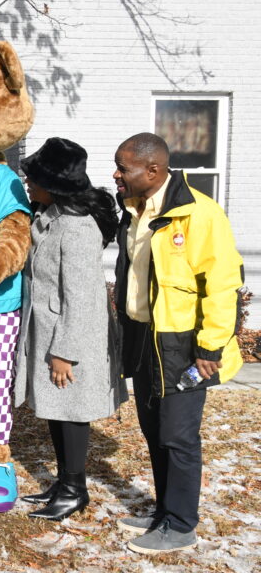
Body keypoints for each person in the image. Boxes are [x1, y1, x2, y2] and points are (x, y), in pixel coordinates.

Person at [112, 132, 243, 554]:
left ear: (152, 171)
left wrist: (210, 348)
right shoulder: (133, 211)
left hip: (184, 344)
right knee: (154, 431)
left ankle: (182, 524)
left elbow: (222, 286)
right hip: (143, 337)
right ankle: (165, 511)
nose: (116, 174)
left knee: (179, 436)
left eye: (123, 167)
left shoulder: (199, 214)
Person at [12, 138, 126, 521]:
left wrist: (65, 351)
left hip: (70, 337)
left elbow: (80, 296)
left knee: (72, 411)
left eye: (33, 178)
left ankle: (75, 490)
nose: (28, 184)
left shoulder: (76, 227)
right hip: (52, 331)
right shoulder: (52, 216)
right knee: (57, 411)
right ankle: (63, 483)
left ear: (53, 182)